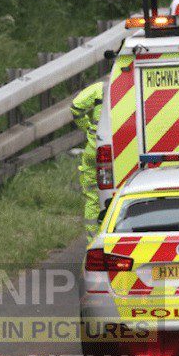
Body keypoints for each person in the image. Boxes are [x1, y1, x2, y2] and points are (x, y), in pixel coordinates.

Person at [71, 81, 104, 238]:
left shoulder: (100, 88)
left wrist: (87, 127)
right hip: (118, 151)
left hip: (93, 149)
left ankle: (93, 241)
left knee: (92, 197)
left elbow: (76, 106)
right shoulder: (130, 87)